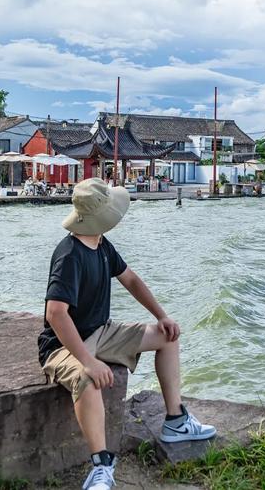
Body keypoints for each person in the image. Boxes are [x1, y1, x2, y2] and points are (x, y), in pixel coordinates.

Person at [38, 178, 216, 490]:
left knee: (168, 336)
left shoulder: (100, 243)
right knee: (86, 378)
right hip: (63, 345)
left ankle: (175, 421)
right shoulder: (69, 256)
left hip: (101, 331)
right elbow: (55, 313)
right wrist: (87, 361)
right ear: (99, 217)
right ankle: (101, 466)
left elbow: (130, 279)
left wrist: (161, 316)